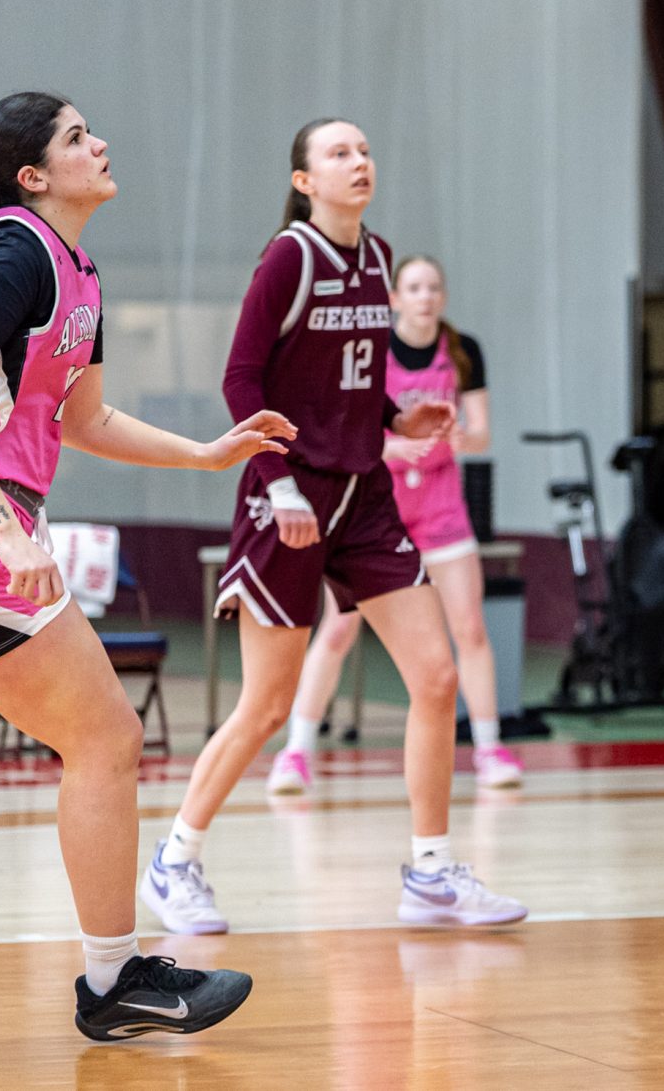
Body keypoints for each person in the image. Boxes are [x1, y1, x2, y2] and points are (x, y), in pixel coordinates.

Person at [0, 93, 279, 1039]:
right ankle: (114, 984)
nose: (101, 141)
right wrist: (7, 526)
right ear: (33, 175)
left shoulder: (75, 271)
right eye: (78, 136)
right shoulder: (12, 246)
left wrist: (203, 453)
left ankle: (117, 983)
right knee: (107, 739)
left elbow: (86, 420)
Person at [142, 119, 526, 935]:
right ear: (305, 179)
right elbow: (242, 379)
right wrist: (277, 483)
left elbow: (339, 382)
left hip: (364, 493)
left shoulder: (378, 257)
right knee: (266, 706)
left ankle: (429, 874)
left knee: (435, 675)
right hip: (287, 496)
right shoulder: (291, 256)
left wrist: (397, 413)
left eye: (365, 150)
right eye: (340, 153)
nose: (360, 162)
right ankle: (175, 858)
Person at [269, 254, 522, 795]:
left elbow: (481, 433)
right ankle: (296, 753)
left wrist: (454, 437)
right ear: (396, 298)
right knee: (338, 629)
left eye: (434, 286)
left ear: (443, 296)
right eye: (414, 286)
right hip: (377, 511)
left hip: (442, 510)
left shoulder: (463, 351)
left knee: (470, 629)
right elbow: (348, 429)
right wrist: (396, 443)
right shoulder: (371, 349)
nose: (425, 296)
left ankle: (489, 747)